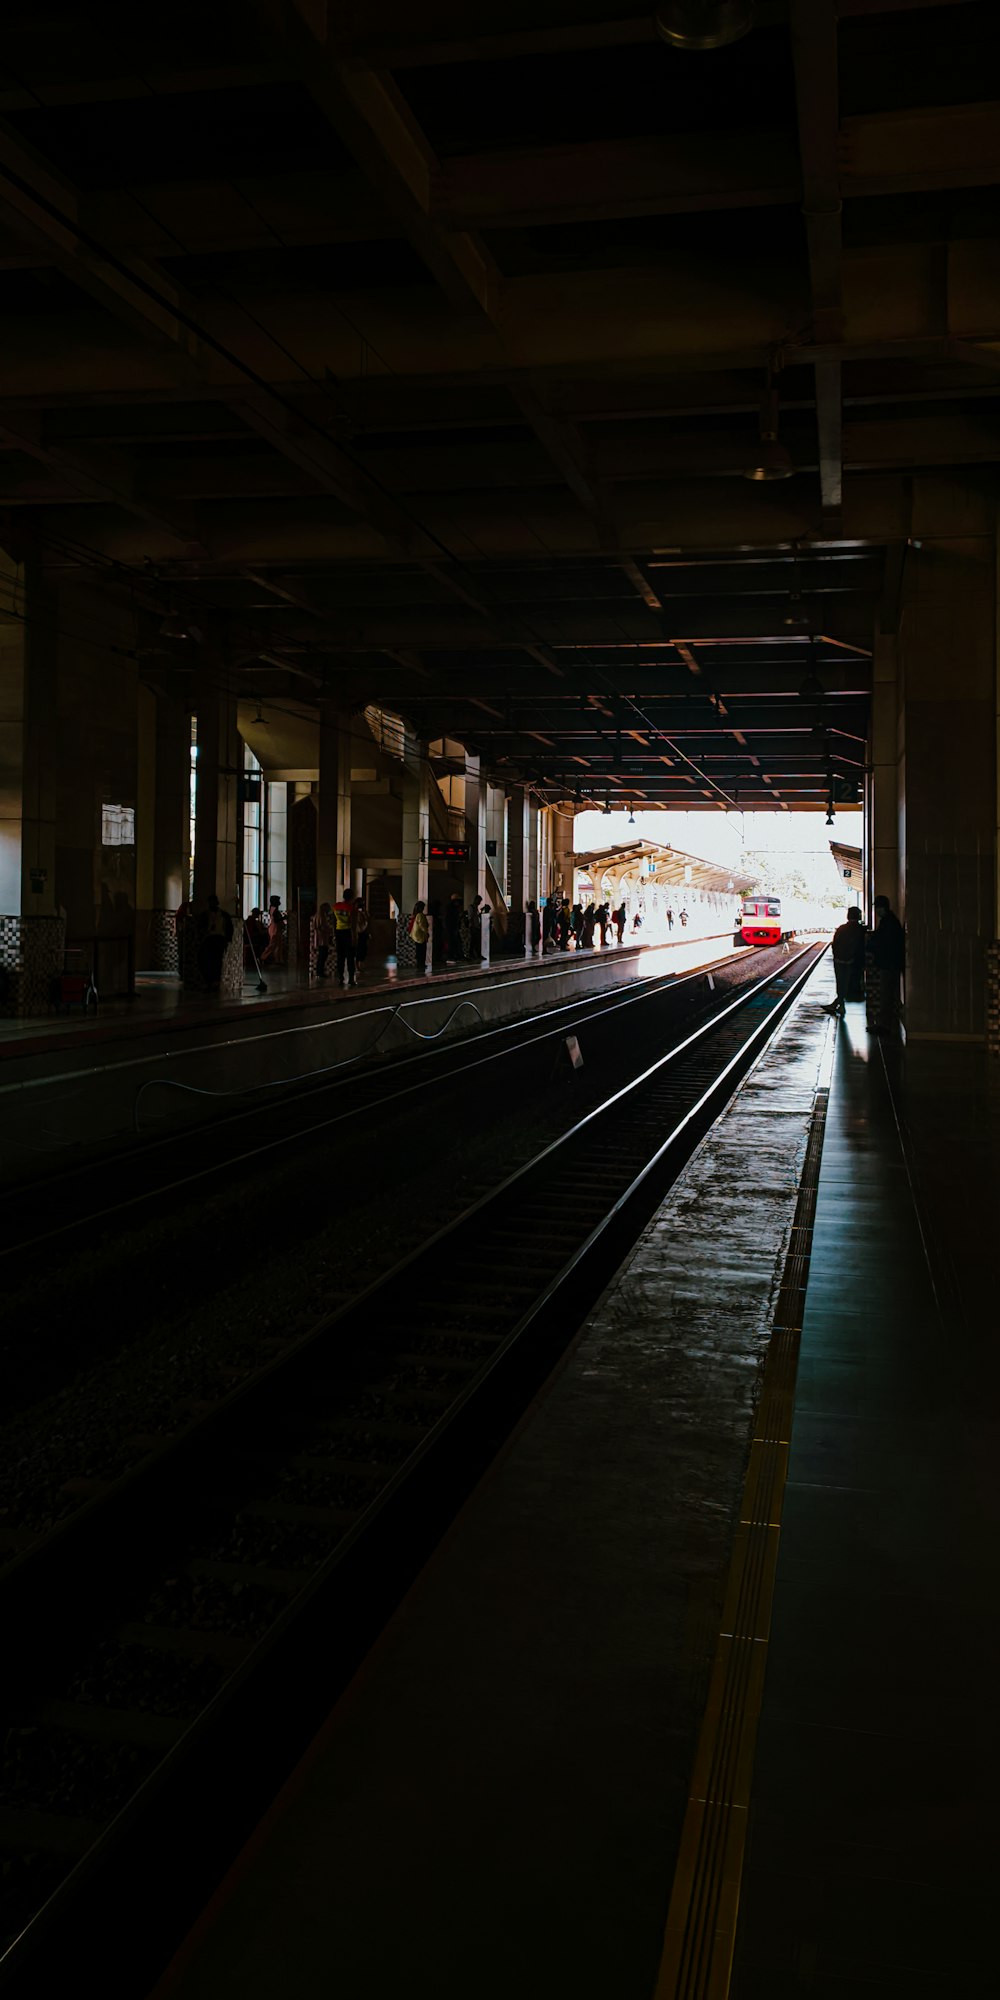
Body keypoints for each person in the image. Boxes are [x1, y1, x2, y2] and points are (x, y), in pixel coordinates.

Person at [868, 894, 905, 1034]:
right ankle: (887, 1024)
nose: (876, 912)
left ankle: (884, 1026)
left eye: (876, 908)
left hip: (889, 964)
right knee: (888, 995)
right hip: (892, 963)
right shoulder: (891, 921)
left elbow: (882, 942)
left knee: (886, 995)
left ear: (881, 908)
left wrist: (871, 945)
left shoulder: (887, 923)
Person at [822, 906, 864, 1016]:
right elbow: (861, 947)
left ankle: (839, 1005)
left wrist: (837, 956)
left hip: (839, 961)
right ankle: (839, 1005)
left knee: (840, 983)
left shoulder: (841, 928)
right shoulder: (861, 929)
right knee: (846, 984)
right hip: (852, 962)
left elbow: (834, 944)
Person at [196, 893, 233, 989]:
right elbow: (200, 927)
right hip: (209, 938)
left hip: (219, 938)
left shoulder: (223, 915)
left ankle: (215, 981)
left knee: (217, 961)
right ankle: (209, 980)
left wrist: (228, 940)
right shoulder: (205, 915)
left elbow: (229, 928)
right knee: (207, 960)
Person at [332, 887, 357, 987]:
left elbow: (334, 921)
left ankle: (340, 978)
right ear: (352, 897)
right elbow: (353, 924)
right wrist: (354, 937)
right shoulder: (352, 909)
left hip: (338, 932)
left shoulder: (336, 906)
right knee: (350, 957)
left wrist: (334, 934)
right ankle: (351, 979)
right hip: (348, 933)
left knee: (340, 957)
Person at [261, 894, 286, 967]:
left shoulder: (273, 909)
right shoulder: (274, 909)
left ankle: (278, 960)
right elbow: (276, 920)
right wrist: (284, 918)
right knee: (272, 945)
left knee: (278, 945)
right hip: (275, 929)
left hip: (275, 929)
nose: (279, 902)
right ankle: (262, 957)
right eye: (278, 900)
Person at [312, 901, 332, 979]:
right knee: (323, 955)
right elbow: (323, 927)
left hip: (319, 938)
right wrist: (329, 930)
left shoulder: (316, 916)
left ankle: (319, 972)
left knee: (321, 956)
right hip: (322, 939)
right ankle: (320, 972)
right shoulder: (322, 917)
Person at [410, 899, 430, 975]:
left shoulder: (416, 915)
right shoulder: (420, 915)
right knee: (422, 950)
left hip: (416, 935)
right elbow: (422, 926)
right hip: (420, 936)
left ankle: (420, 964)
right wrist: (426, 933)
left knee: (419, 950)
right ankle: (421, 964)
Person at [445, 893, 464, 964]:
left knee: (455, 943)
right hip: (452, 928)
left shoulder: (453, 908)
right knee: (452, 943)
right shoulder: (451, 909)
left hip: (453, 928)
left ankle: (456, 956)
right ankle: (451, 957)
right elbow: (451, 919)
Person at [354, 896, 370, 976]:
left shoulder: (363, 912)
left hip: (363, 932)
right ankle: (357, 965)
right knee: (358, 950)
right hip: (358, 932)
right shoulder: (355, 912)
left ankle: (359, 965)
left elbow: (367, 919)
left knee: (363, 949)